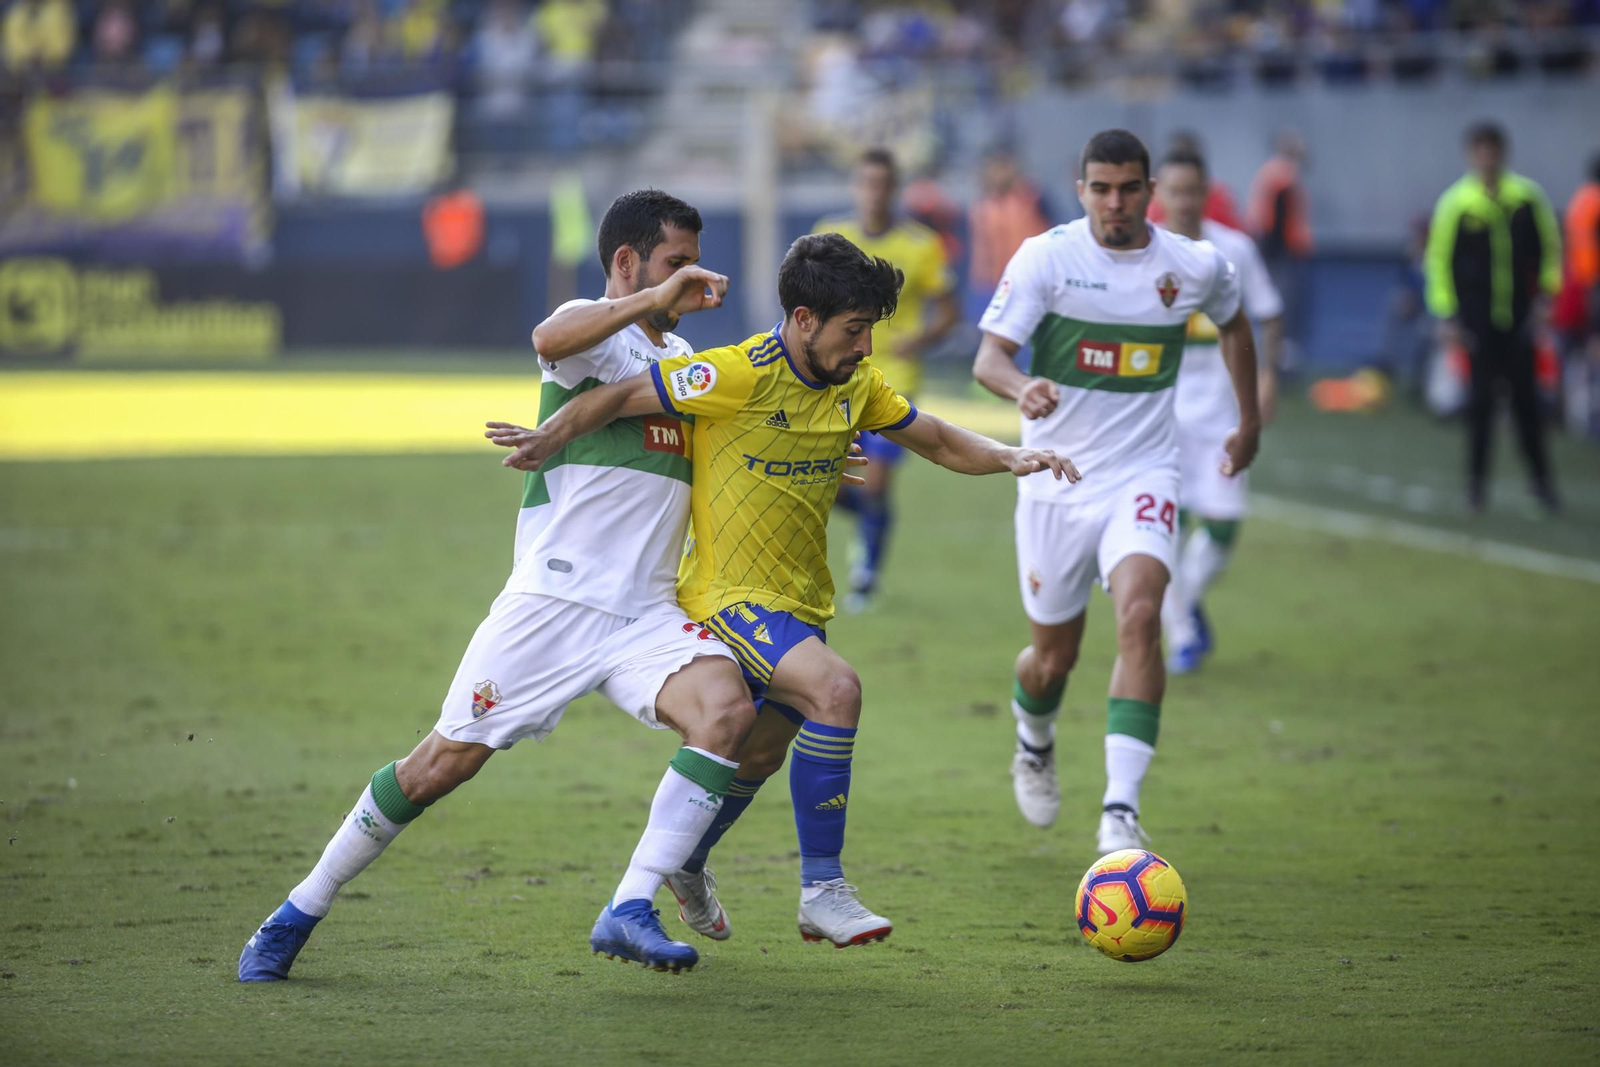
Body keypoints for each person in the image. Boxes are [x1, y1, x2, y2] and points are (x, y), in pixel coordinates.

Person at [239, 191, 773, 981]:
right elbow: (549, 338)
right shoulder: (595, 330)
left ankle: (630, 904)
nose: (688, 279)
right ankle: (296, 911)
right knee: (439, 765)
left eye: (692, 264)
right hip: (554, 605)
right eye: (674, 263)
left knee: (727, 711)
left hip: (645, 615)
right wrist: (651, 300)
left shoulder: (680, 362)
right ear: (628, 262)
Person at [490, 232, 1076, 947]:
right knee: (837, 690)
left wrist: (1010, 455)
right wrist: (551, 436)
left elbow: (937, 439)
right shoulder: (736, 373)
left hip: (800, 601)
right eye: (853, 330)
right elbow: (618, 395)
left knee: (759, 753)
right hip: (726, 596)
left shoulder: (857, 384)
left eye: (870, 330)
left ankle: (686, 861)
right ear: (803, 320)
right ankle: (823, 890)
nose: (865, 347)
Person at [971, 129, 1261, 851]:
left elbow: (1236, 323)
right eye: (1101, 189)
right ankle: (1034, 739)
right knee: (1052, 660)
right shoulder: (1046, 256)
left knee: (1140, 615)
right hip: (1055, 480)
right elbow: (989, 358)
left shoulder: (1192, 265)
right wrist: (1021, 385)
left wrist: (1249, 420)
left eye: (1129, 188)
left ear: (1149, 192)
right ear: (1081, 191)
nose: (1115, 202)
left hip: (1144, 472)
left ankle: (1120, 810)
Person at [1151, 149, 1284, 675]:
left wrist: (1268, 377)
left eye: (1193, 191)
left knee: (1224, 525)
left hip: (1224, 412)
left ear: (1207, 193)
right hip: (1159, 414)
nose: (1184, 201)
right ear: (1159, 193)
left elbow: (1269, 314)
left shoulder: (1234, 250)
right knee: (1166, 528)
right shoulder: (1142, 252)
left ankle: (1182, 603)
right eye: (1175, 191)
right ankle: (1183, 636)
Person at [813, 148, 960, 611]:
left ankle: (866, 577)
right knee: (825, 482)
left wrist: (921, 339)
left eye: (882, 185)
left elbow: (950, 311)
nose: (874, 194)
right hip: (838, 376)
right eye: (866, 184)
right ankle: (874, 522)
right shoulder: (830, 237)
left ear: (894, 190)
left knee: (874, 481)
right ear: (855, 187)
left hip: (896, 378)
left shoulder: (921, 245)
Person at [1424, 121, 1563, 514]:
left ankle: (1542, 484)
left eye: (1493, 149)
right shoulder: (1457, 203)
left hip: (1519, 319)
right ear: (1471, 155)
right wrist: (1447, 314)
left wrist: (1546, 297)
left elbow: (1550, 248)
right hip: (1477, 322)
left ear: (1503, 153)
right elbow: (1439, 261)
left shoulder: (1526, 197)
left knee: (1527, 405)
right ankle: (1476, 488)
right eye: (1480, 150)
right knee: (1480, 405)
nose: (1487, 157)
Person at [1247, 129, 1312, 362]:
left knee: (1278, 303)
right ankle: (1277, 358)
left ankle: (1276, 356)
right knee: (1281, 305)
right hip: (1280, 253)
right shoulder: (1283, 175)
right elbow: (1275, 220)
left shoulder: (1275, 172)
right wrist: (1276, 252)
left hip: (1276, 251)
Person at [1146, 131, 1242, 231]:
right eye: (1175, 192)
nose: (1183, 203)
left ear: (1205, 189)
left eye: (1191, 192)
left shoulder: (1220, 197)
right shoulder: (1148, 226)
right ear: (1156, 191)